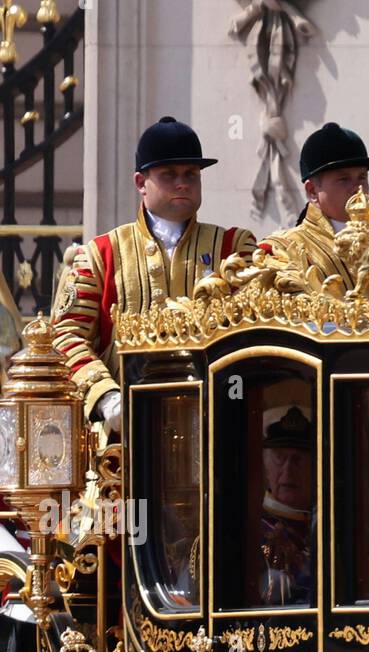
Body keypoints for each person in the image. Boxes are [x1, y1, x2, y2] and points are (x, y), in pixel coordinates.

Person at [51, 117, 256, 434]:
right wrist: (105, 396)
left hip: (215, 424)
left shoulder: (234, 247)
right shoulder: (99, 255)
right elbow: (67, 336)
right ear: (140, 182)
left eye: (191, 174)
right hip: (126, 431)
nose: (182, 183)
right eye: (168, 174)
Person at [260, 123, 369, 293]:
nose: (358, 188)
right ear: (312, 191)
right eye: (344, 179)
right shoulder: (281, 251)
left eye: (362, 177)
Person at [258, 404, 314, 606]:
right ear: (265, 466)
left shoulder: (327, 524)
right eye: (280, 458)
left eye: (299, 460)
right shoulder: (255, 532)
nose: (288, 470)